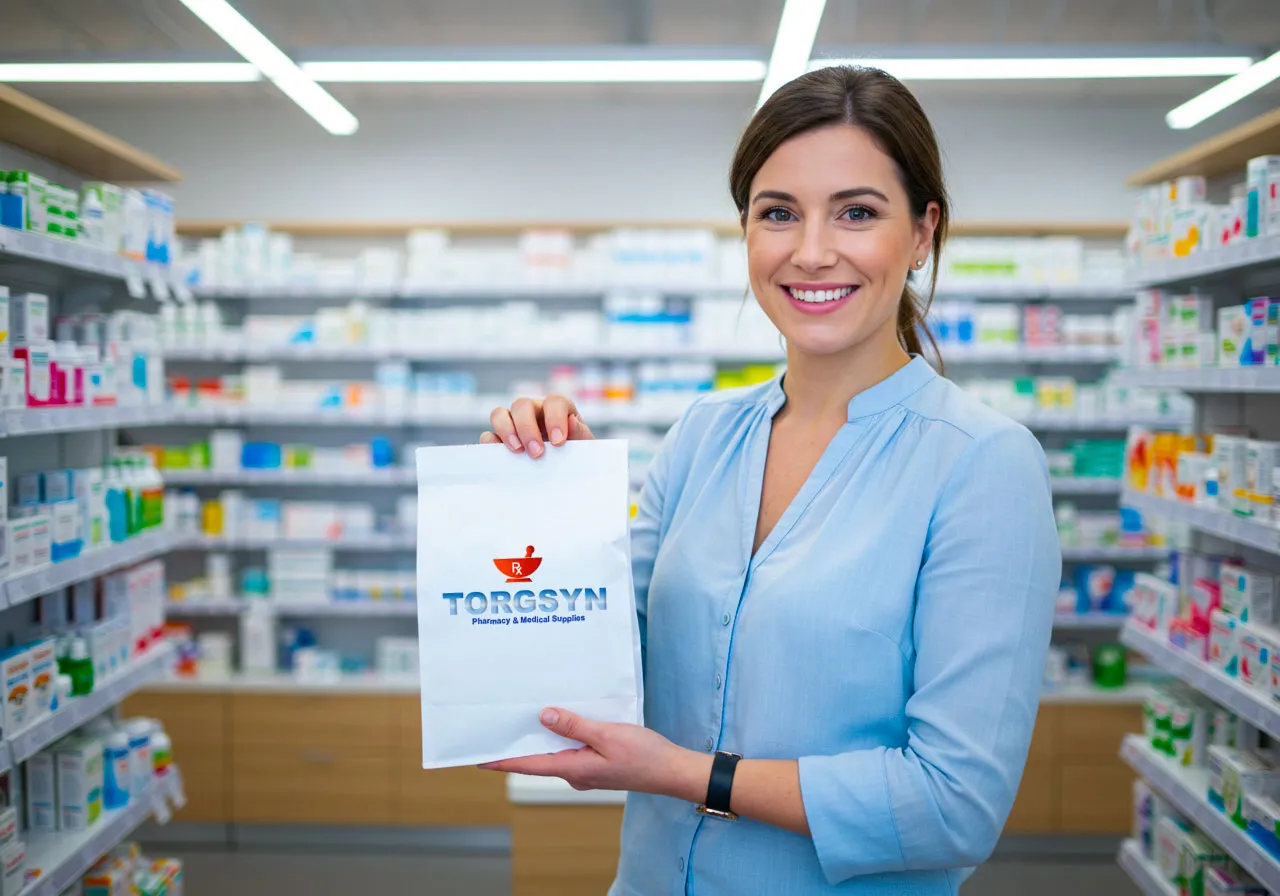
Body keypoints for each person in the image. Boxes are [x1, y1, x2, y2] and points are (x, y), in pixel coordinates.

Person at [478, 65, 1060, 895]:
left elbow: (953, 805)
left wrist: (690, 774)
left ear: (924, 231)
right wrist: (535, 496)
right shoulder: (703, 435)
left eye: (857, 212)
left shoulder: (981, 464)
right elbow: (589, 663)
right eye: (778, 213)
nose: (812, 251)